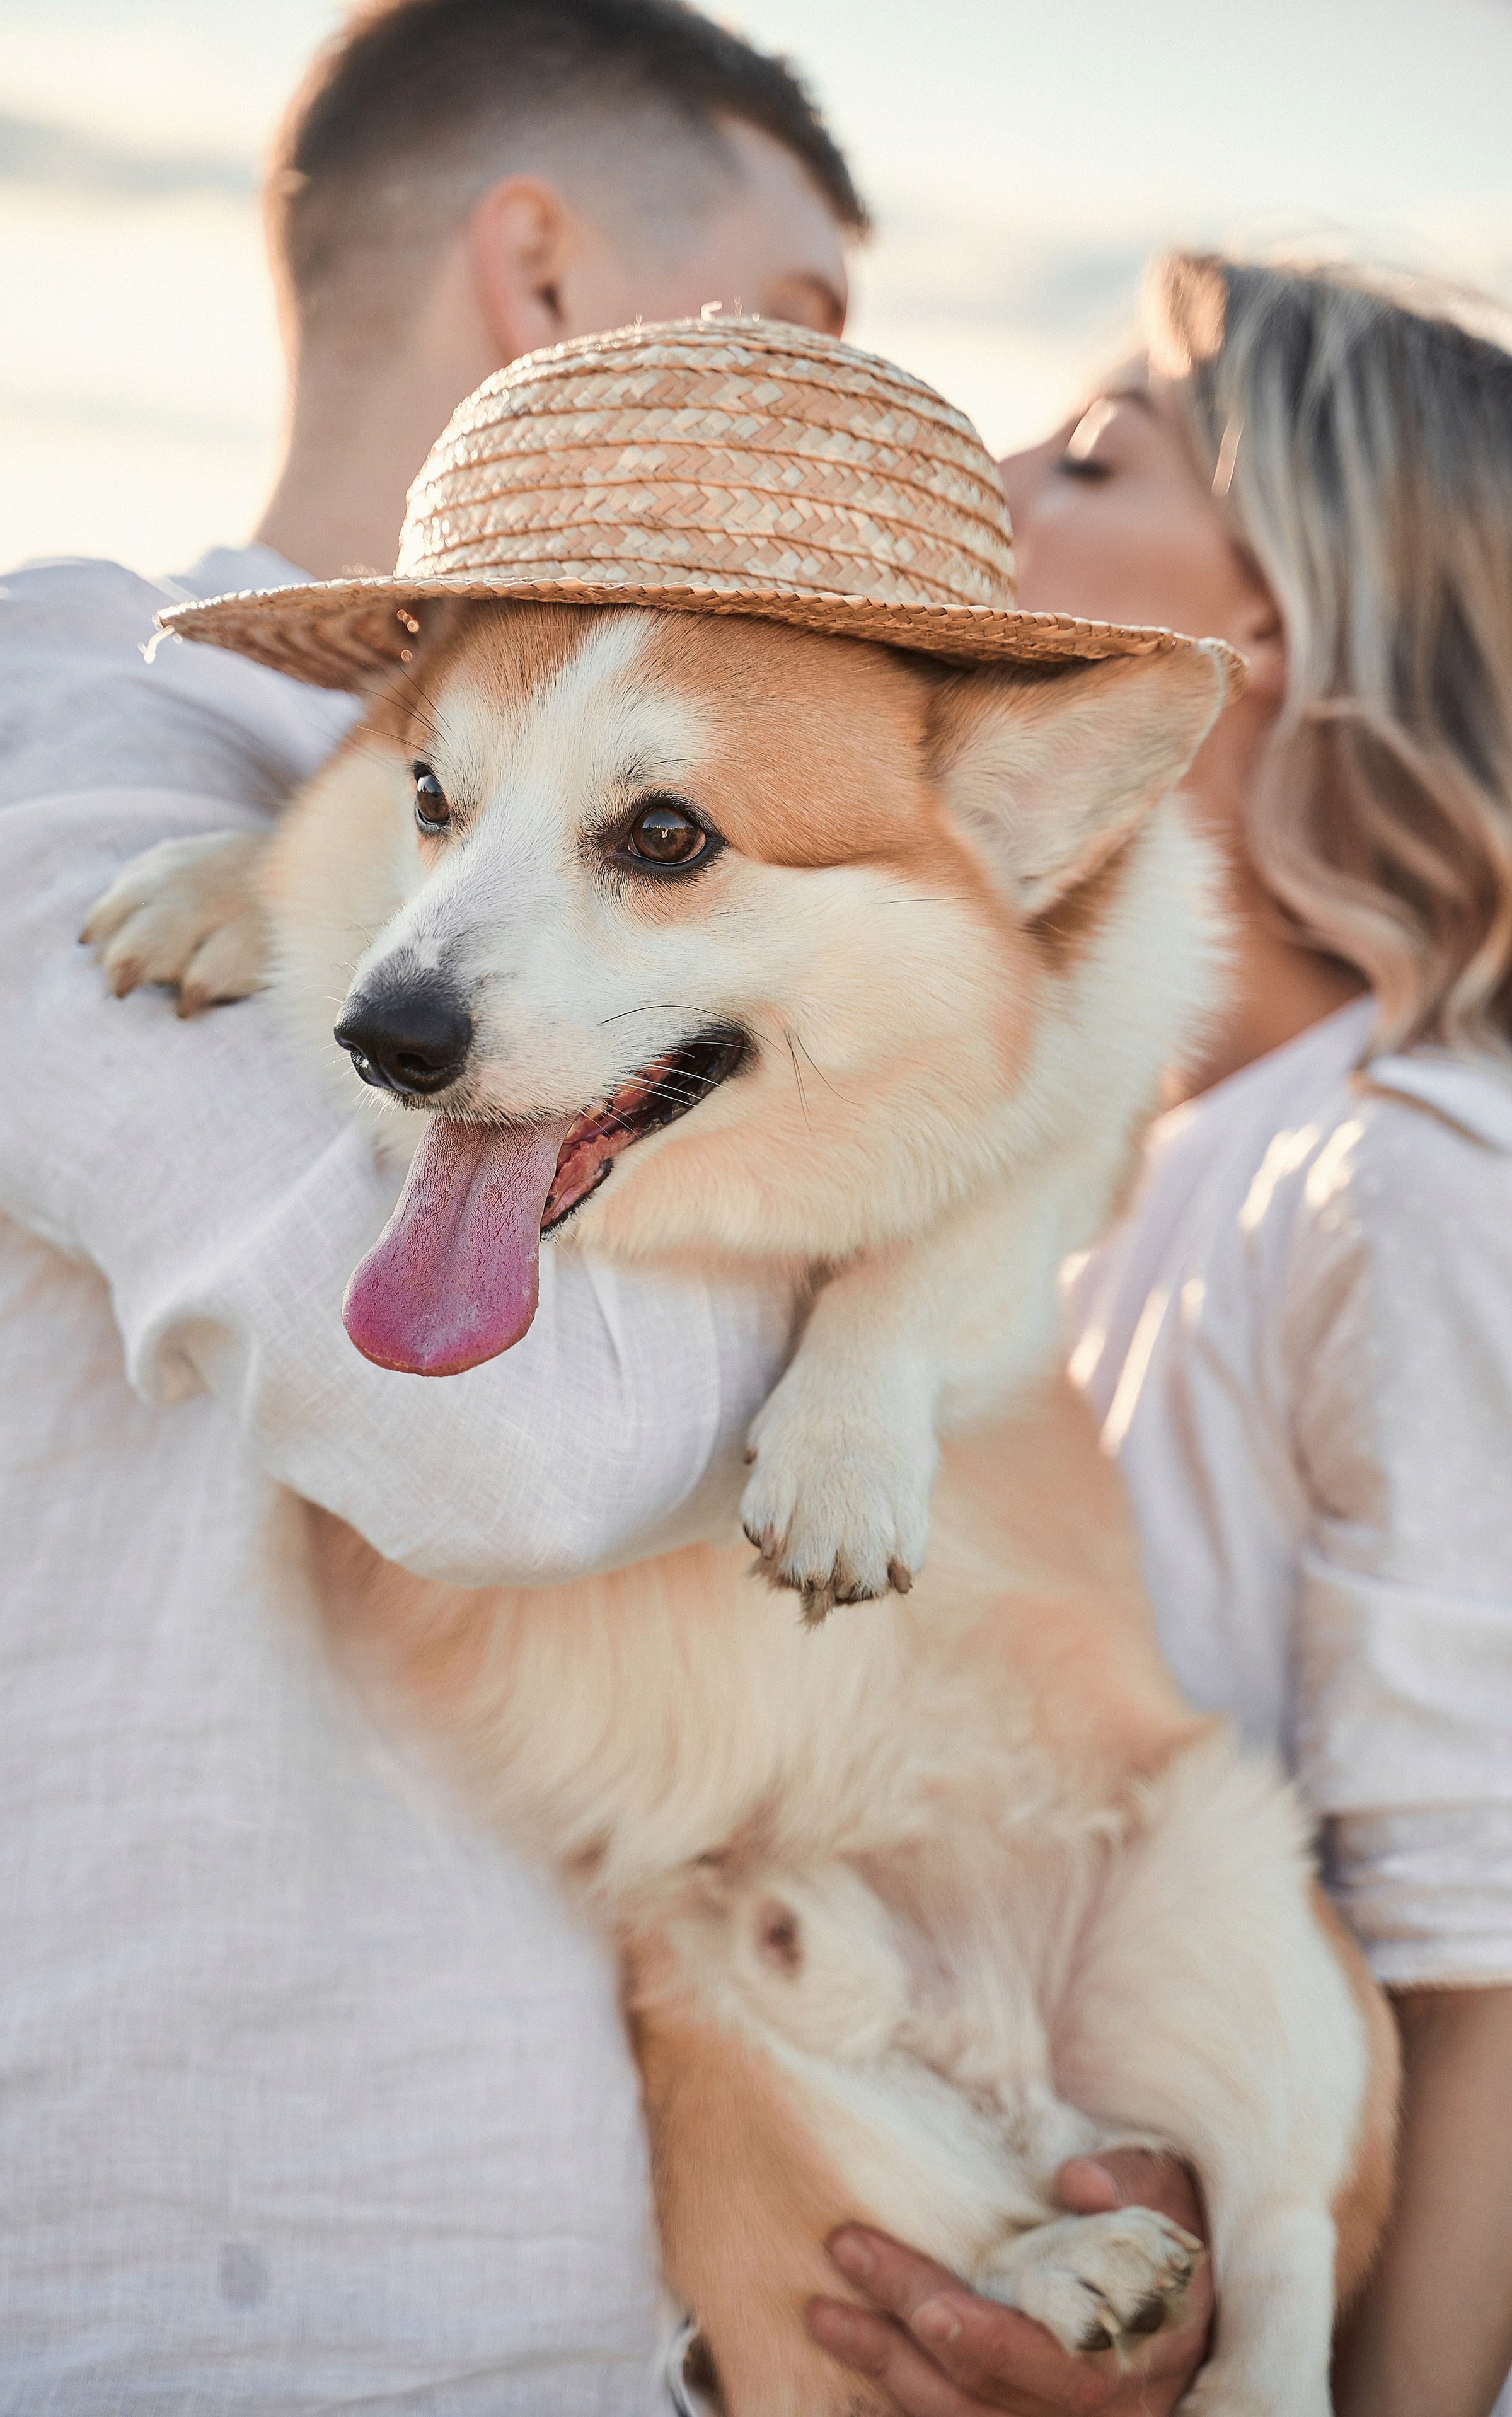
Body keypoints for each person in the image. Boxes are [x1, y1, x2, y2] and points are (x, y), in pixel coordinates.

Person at [0, 4, 864, 2406]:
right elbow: (510, 1433)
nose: (842, 424)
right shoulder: (53, 737)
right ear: (535, 283)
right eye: (796, 331)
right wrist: (903, 1174)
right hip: (149, 2315)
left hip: (583, 2308)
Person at [809, 256, 1512, 2417]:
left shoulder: (1407, 1172)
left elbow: (1484, 1950)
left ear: (1266, 626)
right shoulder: (1117, 1152)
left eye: (1092, 452)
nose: (994, 470)